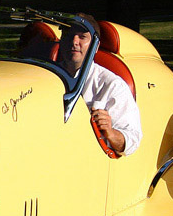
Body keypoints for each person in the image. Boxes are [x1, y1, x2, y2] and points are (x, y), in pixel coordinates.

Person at [56, 13, 142, 156]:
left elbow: (132, 139)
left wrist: (110, 132)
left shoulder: (112, 85)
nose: (74, 41)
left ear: (95, 47)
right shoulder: (47, 76)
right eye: (68, 35)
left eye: (82, 37)